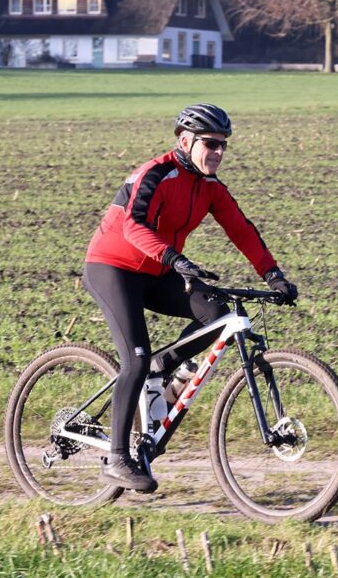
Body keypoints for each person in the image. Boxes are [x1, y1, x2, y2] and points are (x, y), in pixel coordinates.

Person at [83, 103, 298, 493]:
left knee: (215, 313)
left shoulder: (210, 187)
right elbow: (133, 225)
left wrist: (273, 274)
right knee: (135, 358)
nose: (217, 151)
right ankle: (116, 457)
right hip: (112, 266)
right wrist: (174, 258)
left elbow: (242, 230)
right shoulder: (156, 173)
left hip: (159, 270)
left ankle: (163, 368)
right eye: (210, 143)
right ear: (186, 141)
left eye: (223, 146)